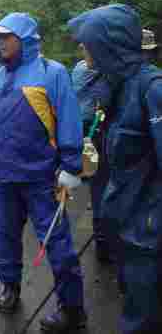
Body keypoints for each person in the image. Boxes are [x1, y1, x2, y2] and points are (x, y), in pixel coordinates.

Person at [0, 13, 86, 332]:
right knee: (4, 234)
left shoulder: (52, 73)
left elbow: (68, 117)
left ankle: (73, 309)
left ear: (24, 39)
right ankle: (10, 286)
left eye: (5, 37)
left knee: (57, 243)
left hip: (42, 178)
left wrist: (71, 164)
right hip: (5, 177)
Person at [68, 5, 162, 334]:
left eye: (88, 42)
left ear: (109, 46)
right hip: (126, 227)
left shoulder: (153, 90)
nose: (82, 49)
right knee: (133, 306)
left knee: (141, 321)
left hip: (147, 235)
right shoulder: (116, 88)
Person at [70, 45, 114, 263]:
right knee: (102, 186)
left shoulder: (78, 69)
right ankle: (104, 243)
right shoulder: (108, 71)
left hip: (83, 134)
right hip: (98, 134)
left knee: (96, 183)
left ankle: (101, 242)